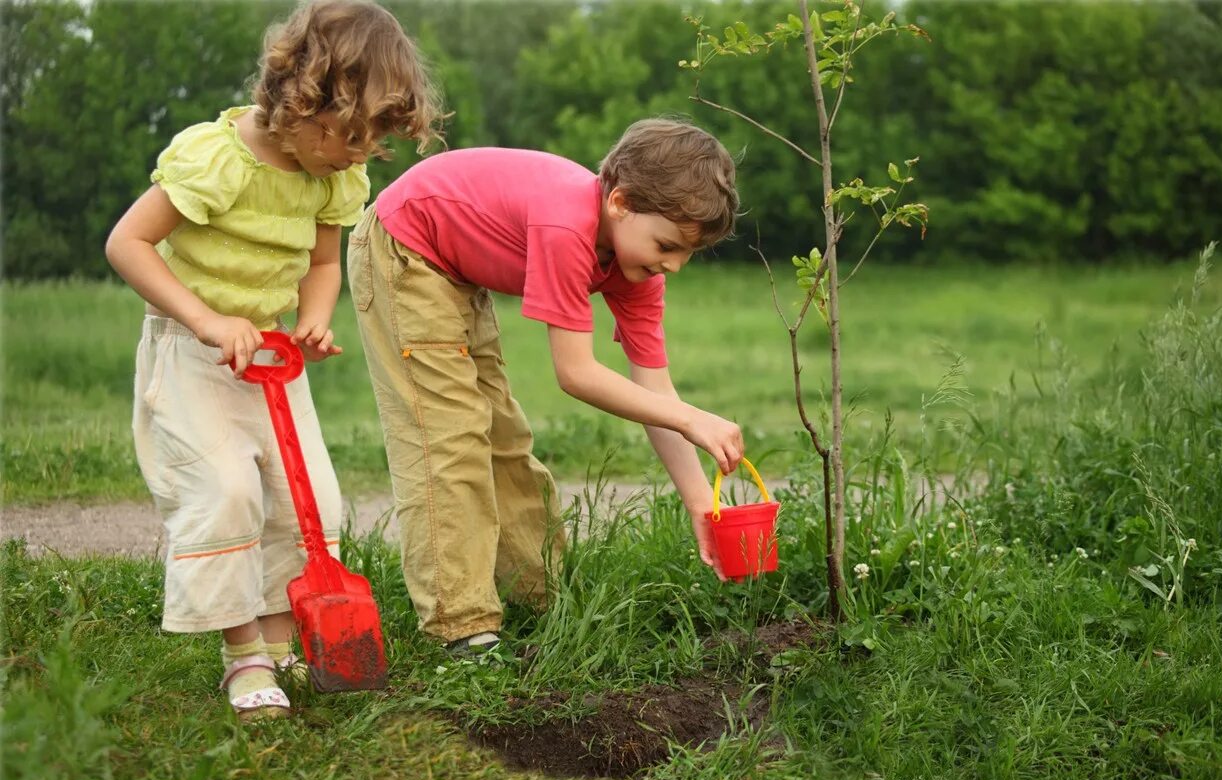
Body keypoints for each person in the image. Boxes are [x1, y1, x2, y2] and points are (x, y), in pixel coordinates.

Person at [104, 0, 440, 721]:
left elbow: (322, 261)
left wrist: (315, 319)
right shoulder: (217, 159)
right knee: (225, 490)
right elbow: (126, 243)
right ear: (299, 99)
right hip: (192, 352)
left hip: (271, 357)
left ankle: (286, 642)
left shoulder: (331, 176)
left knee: (308, 501)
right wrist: (204, 318)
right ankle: (244, 654)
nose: (357, 155)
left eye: (370, 143)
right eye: (348, 136)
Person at [347, 117, 746, 655]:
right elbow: (575, 374)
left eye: (686, 254)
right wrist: (692, 418)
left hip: (459, 273)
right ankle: (461, 626)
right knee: (450, 439)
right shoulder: (567, 226)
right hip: (405, 250)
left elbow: (657, 393)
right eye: (668, 245)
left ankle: (539, 597)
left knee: (503, 439)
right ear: (621, 203)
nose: (673, 266)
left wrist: (702, 503)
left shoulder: (637, 269)